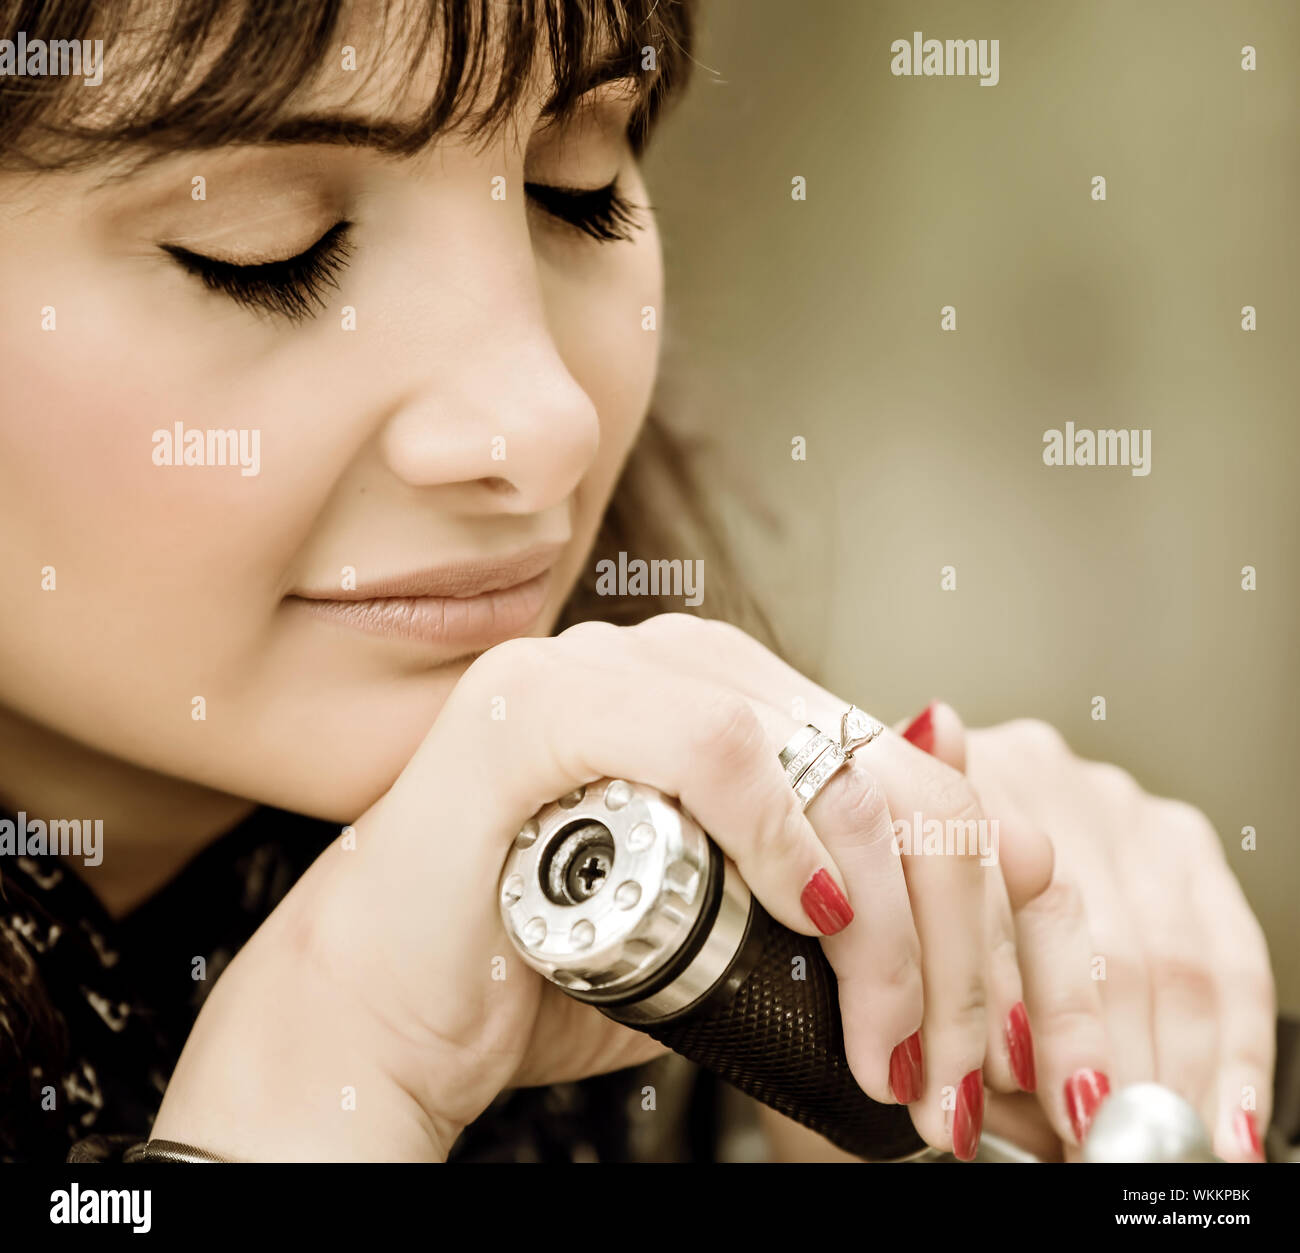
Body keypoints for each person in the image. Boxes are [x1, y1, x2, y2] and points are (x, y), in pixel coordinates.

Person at [0, 0, 1273, 1164]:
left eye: (577, 188)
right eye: (266, 248)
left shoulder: (645, 927)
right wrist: (320, 1085)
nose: (542, 418)